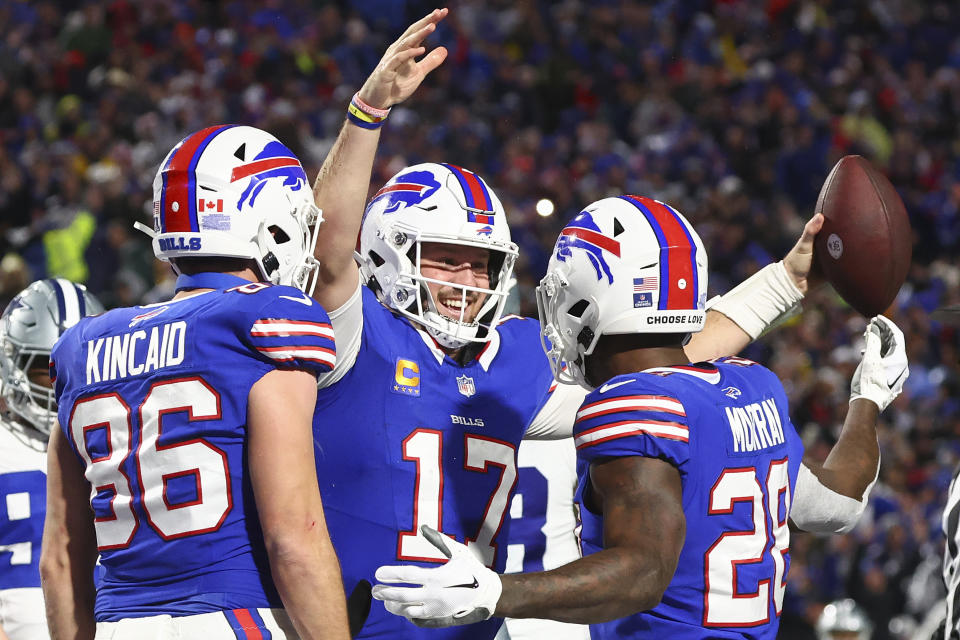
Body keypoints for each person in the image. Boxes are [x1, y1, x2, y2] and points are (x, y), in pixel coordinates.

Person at [307, 10, 827, 639]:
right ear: (387, 249)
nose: (464, 283)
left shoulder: (515, 360)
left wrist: (784, 282)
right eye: (443, 259)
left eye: (482, 265)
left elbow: (668, 348)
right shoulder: (356, 338)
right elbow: (329, 253)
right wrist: (367, 113)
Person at [370, 195, 908, 639]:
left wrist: (495, 592)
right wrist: (868, 398)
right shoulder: (753, 386)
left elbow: (644, 571)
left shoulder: (629, 405)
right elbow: (836, 506)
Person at [40, 125, 350, 639]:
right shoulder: (262, 318)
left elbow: (61, 557)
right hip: (232, 617)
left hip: (120, 627)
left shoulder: (81, 344)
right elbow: (294, 537)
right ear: (269, 226)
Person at [0, 279, 103, 640]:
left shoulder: (122, 442)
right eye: (48, 373)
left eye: (78, 370)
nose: (64, 390)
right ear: (11, 364)